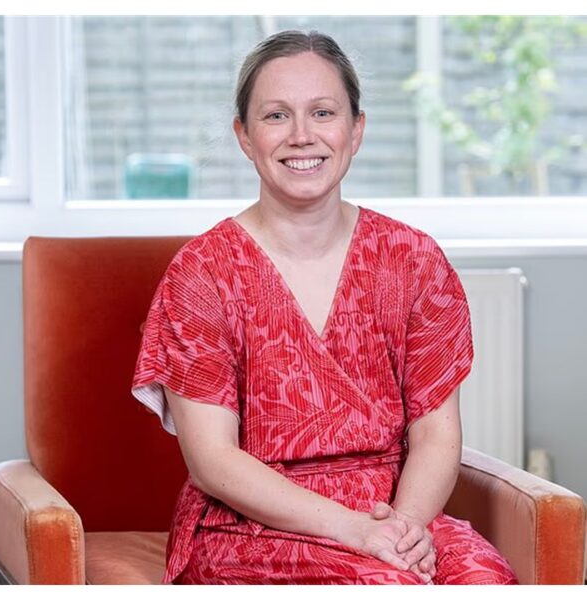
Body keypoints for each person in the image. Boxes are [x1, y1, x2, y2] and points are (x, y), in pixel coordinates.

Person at [132, 30, 518, 585]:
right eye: (275, 116)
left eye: (323, 112)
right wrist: (356, 532)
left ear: (355, 130)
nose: (302, 136)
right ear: (243, 135)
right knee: (387, 586)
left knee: (484, 580)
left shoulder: (415, 261)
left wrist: (404, 530)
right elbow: (212, 461)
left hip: (396, 514)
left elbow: (436, 434)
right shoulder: (201, 275)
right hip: (251, 527)